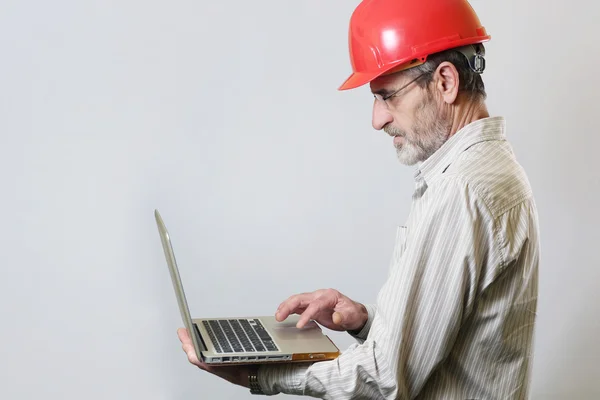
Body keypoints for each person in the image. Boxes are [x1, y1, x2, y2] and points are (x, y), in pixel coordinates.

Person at [177, 0, 540, 398]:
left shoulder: (463, 192)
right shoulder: (487, 171)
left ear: (446, 82)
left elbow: (385, 378)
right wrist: (363, 321)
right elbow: (452, 347)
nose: (377, 119)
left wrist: (261, 375)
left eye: (387, 96)